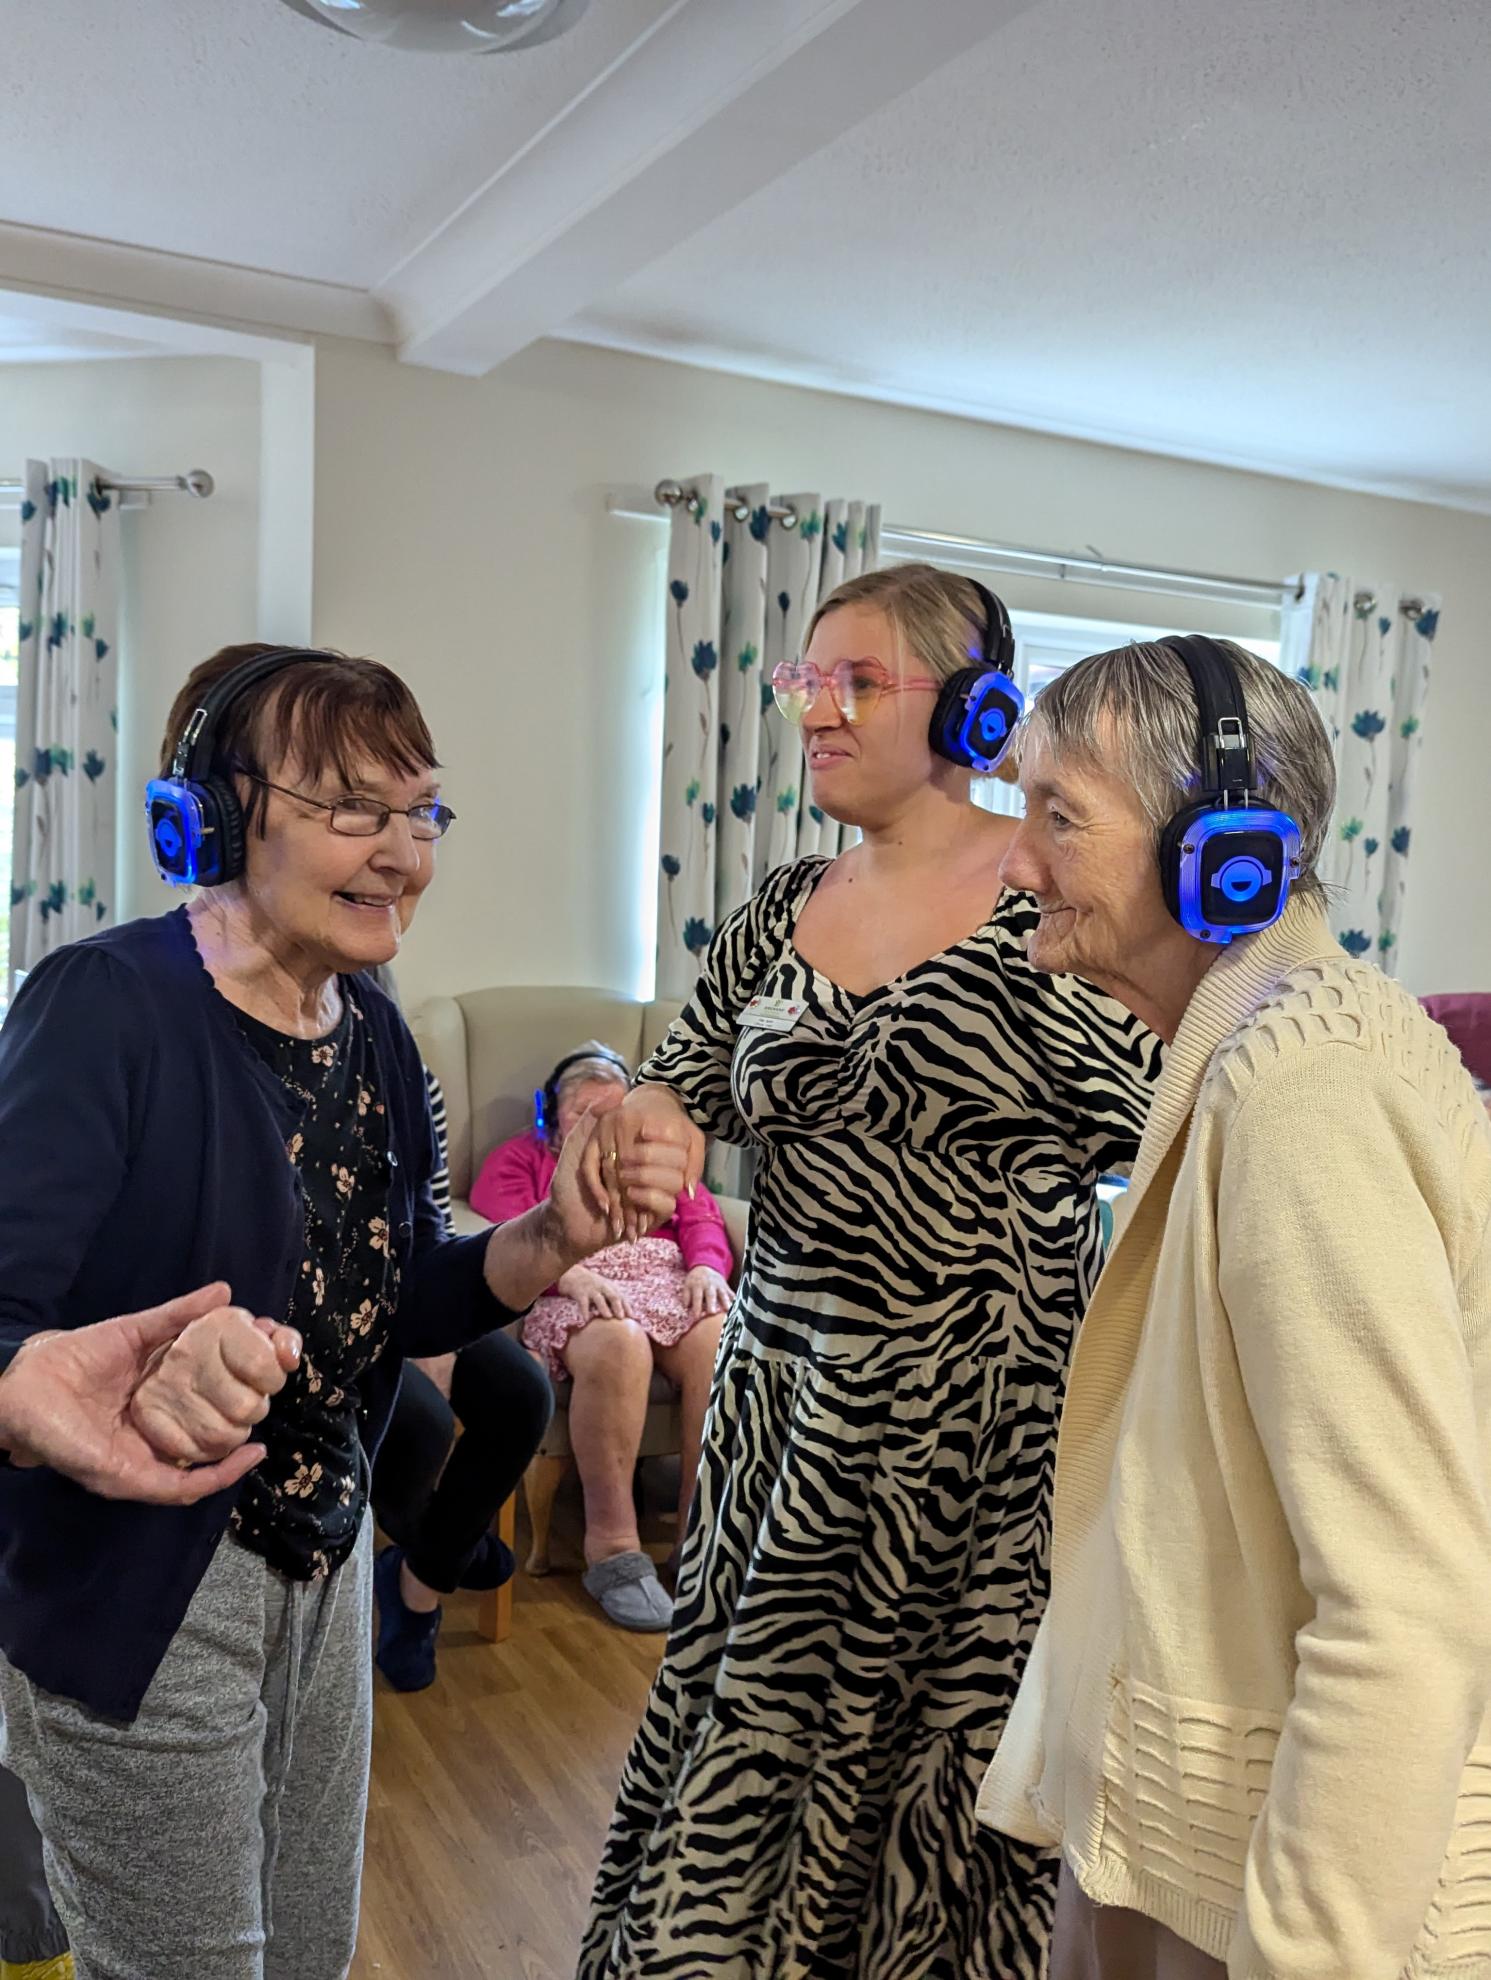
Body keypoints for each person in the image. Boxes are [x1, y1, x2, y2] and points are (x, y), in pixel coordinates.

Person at [0, 642, 690, 1980]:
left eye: (420, 810)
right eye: (351, 811)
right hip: (142, 1587)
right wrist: (38, 1387)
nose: (404, 853)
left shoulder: (367, 1027)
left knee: (305, 1958)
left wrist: (550, 1236)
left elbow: (399, 1287)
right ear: (210, 817)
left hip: (319, 1571)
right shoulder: (105, 1009)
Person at [578, 565, 1163, 1979]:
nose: (815, 713)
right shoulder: (784, 899)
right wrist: (646, 1125)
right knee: (745, 1736)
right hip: (779, 1410)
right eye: (804, 682)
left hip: (969, 1438)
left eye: (856, 684)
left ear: (971, 710)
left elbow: (1190, 1116)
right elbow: (680, 1079)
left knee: (926, 1778)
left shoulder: (1048, 905)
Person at [977, 636, 1491, 1979]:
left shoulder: (1299, 1089)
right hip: (1187, 1848)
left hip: (1265, 1905)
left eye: (1056, 817)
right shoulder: (1249, 1046)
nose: (1014, 863)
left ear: (1227, 850)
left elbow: (1403, 1605)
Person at [0, 1286, 299, 1980]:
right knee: (61, 1921)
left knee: (308, 1936)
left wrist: (539, 1243)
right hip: (122, 1571)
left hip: (321, 1538)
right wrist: (15, 1373)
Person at [470, 1044, 734, 1631]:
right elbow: (501, 1224)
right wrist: (566, 1267)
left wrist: (706, 1266)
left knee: (720, 1337)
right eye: (579, 1110)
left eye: (609, 1111)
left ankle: (701, 1537)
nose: (595, 1125)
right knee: (619, 1344)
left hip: (663, 1274)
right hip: (577, 1282)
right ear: (550, 1114)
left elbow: (702, 1218)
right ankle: (613, 1551)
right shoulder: (520, 1160)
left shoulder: (651, 1162)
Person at [369, 1065, 554, 1690]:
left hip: (408, 1287)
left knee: (523, 1395)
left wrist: (434, 1328)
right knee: (418, 1423)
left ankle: (417, 1581)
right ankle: (446, 1544)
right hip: (319, 1309)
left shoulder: (411, 1074)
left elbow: (434, 1215)